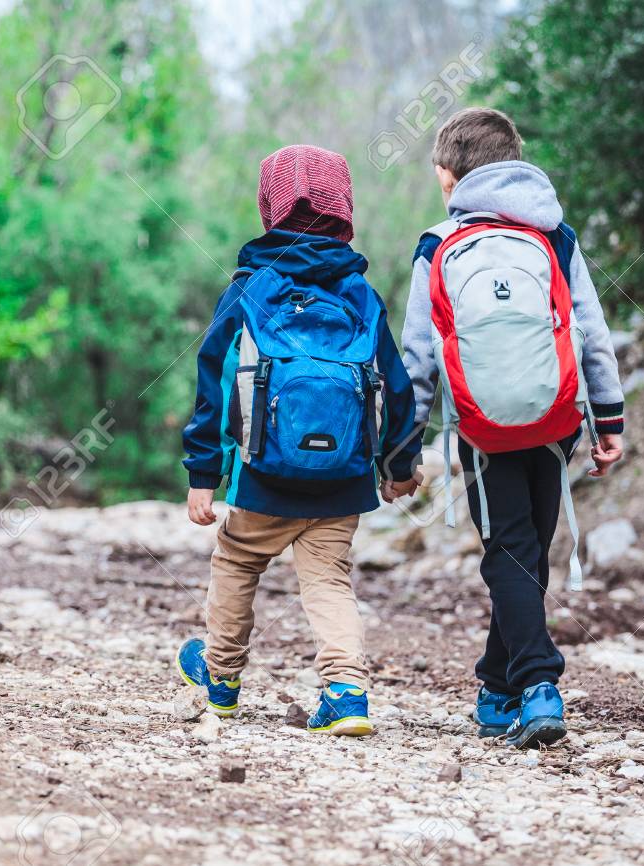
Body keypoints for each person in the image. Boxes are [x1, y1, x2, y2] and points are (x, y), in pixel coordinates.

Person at [387, 108, 625, 748]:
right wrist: (609, 419)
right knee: (526, 552)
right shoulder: (557, 236)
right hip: (556, 420)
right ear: (515, 163)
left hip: (481, 428)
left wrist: (400, 453)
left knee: (509, 551)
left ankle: (540, 682)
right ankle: (498, 688)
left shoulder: (437, 245)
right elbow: (592, 336)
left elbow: (417, 358)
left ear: (447, 176)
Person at [177, 144, 419, 736]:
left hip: (263, 478)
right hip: (345, 480)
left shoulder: (249, 290)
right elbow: (396, 382)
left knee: (236, 560)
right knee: (330, 581)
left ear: (268, 207)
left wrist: (203, 475)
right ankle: (346, 693)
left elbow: (214, 387)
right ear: (345, 209)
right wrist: (399, 464)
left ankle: (222, 679)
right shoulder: (360, 296)